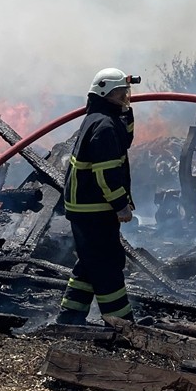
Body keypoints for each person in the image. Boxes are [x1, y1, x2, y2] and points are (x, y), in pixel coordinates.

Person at [57, 67, 139, 324]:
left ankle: (70, 315)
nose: (125, 98)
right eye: (120, 94)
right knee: (108, 263)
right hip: (93, 208)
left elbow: (126, 141)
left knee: (91, 260)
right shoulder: (104, 125)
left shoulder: (101, 118)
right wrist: (120, 205)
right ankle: (121, 322)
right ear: (106, 94)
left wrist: (127, 113)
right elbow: (106, 173)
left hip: (87, 207)